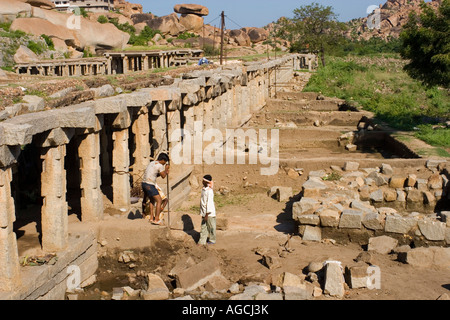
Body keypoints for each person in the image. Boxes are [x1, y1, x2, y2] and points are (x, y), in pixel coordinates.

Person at [142, 153, 170, 225]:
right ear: (163, 160)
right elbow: (163, 176)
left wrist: (164, 171)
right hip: (149, 185)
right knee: (159, 200)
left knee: (152, 200)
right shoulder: (160, 165)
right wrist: (166, 169)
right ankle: (156, 219)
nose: (164, 164)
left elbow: (155, 174)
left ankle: (151, 218)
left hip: (144, 184)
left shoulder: (152, 163)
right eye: (165, 162)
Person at [198, 175, 216, 245]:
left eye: (203, 181)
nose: (202, 182)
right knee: (203, 227)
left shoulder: (209, 191)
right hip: (204, 213)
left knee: (211, 227)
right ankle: (202, 242)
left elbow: (209, 203)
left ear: (206, 182)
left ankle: (212, 240)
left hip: (209, 214)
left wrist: (207, 214)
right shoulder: (203, 189)